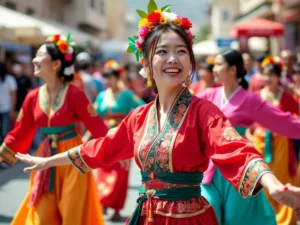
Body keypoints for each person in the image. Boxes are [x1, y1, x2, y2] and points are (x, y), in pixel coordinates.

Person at [14, 2, 300, 225]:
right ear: (147, 63)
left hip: (189, 218)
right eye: (162, 51)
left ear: (190, 63)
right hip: (147, 215)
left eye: (181, 51)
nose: (173, 58)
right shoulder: (140, 116)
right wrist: (48, 161)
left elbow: (236, 148)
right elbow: (103, 148)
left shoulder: (203, 111)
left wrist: (272, 185)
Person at [0, 34, 108, 225]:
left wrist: (118, 151)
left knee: (72, 216)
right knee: (42, 218)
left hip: (72, 159)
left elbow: (96, 125)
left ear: (56, 63)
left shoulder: (75, 94)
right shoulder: (32, 97)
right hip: (44, 159)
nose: (34, 59)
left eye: (40, 54)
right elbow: (20, 131)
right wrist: (2, 153)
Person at [197, 50, 300, 225]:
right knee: (208, 212)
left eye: (219, 64)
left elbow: (283, 121)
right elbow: (184, 111)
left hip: (239, 168)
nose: (214, 69)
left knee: (235, 219)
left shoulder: (249, 100)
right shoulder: (208, 96)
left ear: (233, 70)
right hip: (210, 169)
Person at [93, 65, 145, 221]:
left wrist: (130, 126)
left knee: (120, 175)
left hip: (122, 138)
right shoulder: (102, 95)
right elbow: (95, 116)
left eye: (111, 77)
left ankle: (116, 208)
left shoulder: (128, 95)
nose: (108, 81)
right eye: (105, 77)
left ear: (117, 78)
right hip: (104, 138)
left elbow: (142, 108)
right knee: (103, 171)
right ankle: (103, 202)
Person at [252, 56, 299, 225]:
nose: (268, 78)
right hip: (259, 143)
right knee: (262, 180)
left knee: (281, 180)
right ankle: (265, 218)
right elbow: (248, 121)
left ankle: (284, 221)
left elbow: (296, 121)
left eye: (272, 74)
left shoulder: (286, 97)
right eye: (266, 74)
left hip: (281, 145)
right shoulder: (256, 96)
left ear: (279, 77)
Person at [0, 62, 17, 143]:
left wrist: (12, 109)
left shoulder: (10, 79)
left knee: (5, 131)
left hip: (6, 109)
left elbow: (14, 95)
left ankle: (5, 150)